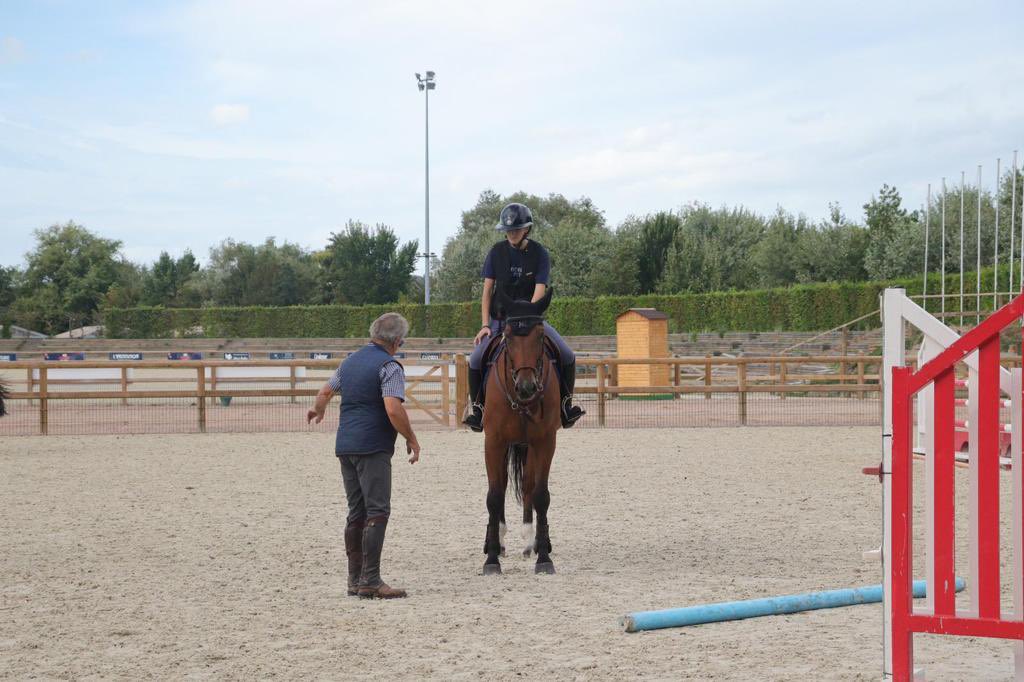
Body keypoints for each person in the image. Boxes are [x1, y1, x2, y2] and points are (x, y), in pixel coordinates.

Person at [307, 312, 421, 599]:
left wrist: (318, 410)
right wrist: (411, 438)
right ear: (396, 341)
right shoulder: (389, 366)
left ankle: (354, 579)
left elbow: (324, 392)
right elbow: (393, 408)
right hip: (373, 447)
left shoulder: (349, 363)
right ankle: (370, 580)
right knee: (377, 511)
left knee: (356, 512)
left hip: (345, 445)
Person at [463, 202, 585, 431]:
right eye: (508, 230)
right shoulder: (496, 253)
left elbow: (540, 289)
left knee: (567, 355)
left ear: (527, 229)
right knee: (476, 359)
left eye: (516, 230)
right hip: (501, 321)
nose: (511, 234)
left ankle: (566, 407)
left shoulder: (539, 253)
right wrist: (484, 325)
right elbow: (487, 291)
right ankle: (478, 410)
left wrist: (527, 317)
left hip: (531, 320)